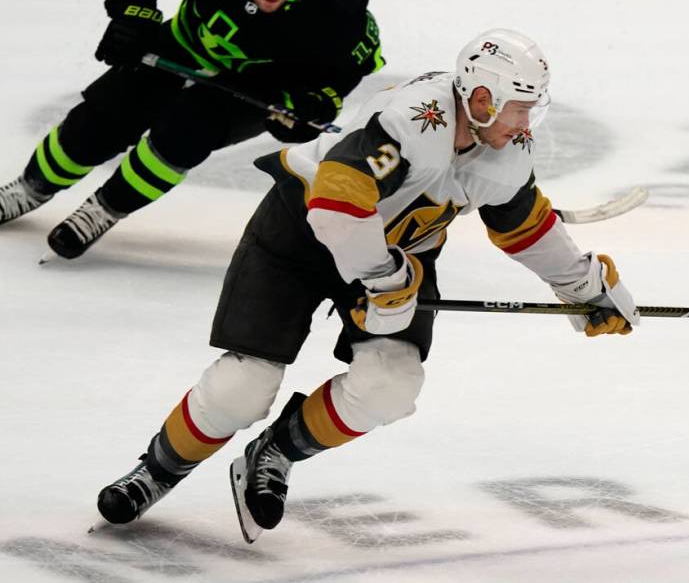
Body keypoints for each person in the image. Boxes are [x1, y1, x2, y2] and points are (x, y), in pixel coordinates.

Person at [94, 29, 640, 542]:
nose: (525, 124)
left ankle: (275, 453)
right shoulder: (412, 121)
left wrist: (585, 286)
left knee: (391, 383)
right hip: (299, 234)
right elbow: (334, 205)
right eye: (519, 107)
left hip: (398, 255)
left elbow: (525, 227)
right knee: (243, 386)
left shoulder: (506, 149)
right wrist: (382, 278)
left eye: (531, 109)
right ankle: (156, 472)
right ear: (481, 98)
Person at [0, 0, 383, 259]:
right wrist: (133, 13)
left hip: (258, 84)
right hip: (184, 44)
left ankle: (106, 208)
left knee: (184, 134)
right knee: (104, 119)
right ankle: (31, 187)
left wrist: (315, 103)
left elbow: (352, 65)